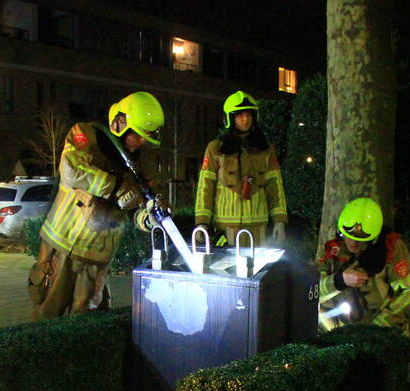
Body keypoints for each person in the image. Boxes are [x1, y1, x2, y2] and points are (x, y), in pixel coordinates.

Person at [29, 91, 163, 319]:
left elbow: (137, 207)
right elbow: (72, 171)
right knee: (47, 316)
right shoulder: (86, 135)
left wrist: (148, 218)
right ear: (121, 123)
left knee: (87, 320)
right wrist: (116, 187)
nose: (141, 142)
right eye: (137, 135)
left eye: (145, 138)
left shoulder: (140, 165)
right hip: (62, 244)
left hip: (97, 258)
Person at [194, 91, 288, 247]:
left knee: (258, 271)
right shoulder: (216, 148)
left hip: (259, 230)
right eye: (239, 115)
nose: (245, 119)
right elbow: (205, 187)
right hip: (226, 230)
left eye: (249, 115)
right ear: (230, 118)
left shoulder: (265, 149)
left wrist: (280, 221)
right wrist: (201, 223)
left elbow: (275, 187)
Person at [318, 197, 410, 336]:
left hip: (383, 336)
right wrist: (339, 280)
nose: (353, 243)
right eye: (348, 236)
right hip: (337, 336)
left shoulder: (391, 247)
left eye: (361, 240)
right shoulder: (331, 250)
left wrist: (378, 328)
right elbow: (311, 292)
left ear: (374, 237)